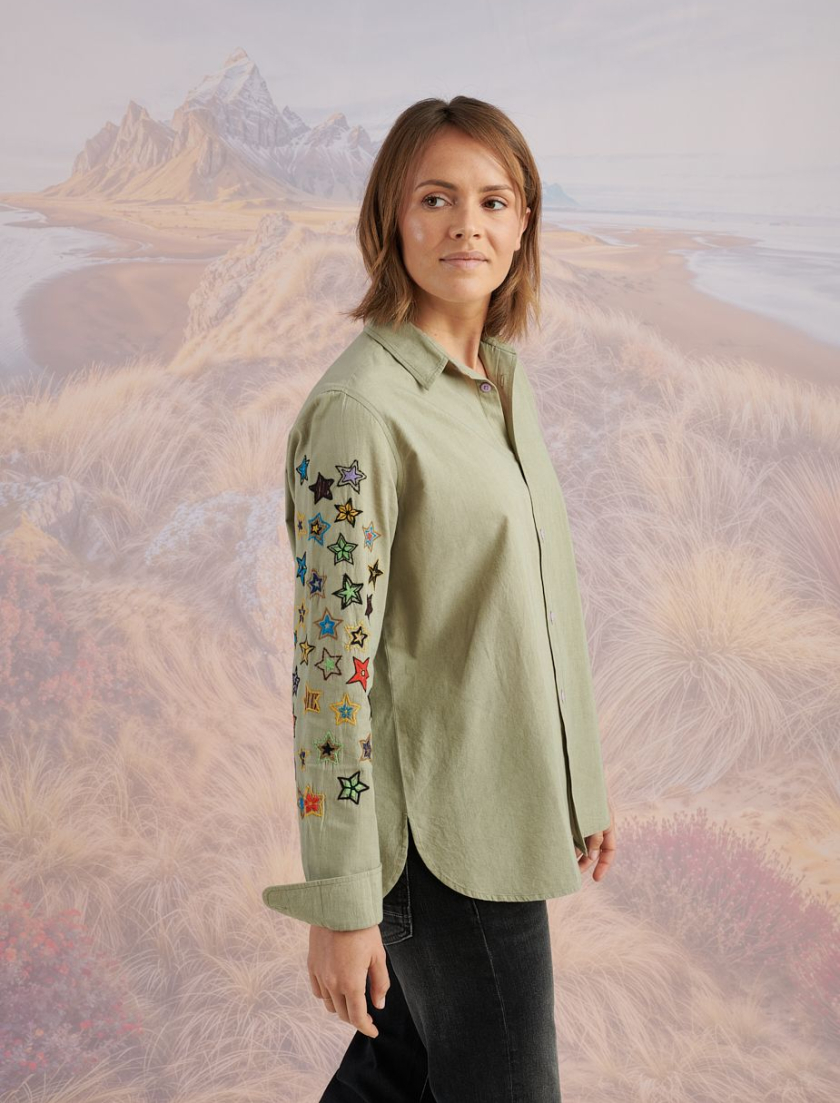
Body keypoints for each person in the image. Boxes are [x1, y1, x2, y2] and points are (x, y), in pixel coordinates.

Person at [262, 95, 616, 1102]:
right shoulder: (358, 411)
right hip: (437, 844)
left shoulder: (499, 382)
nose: (468, 224)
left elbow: (530, 606)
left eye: (494, 200)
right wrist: (342, 899)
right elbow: (331, 678)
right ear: (393, 218)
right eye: (436, 198)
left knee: (400, 1077)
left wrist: (579, 784)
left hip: (502, 814)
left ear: (524, 223)